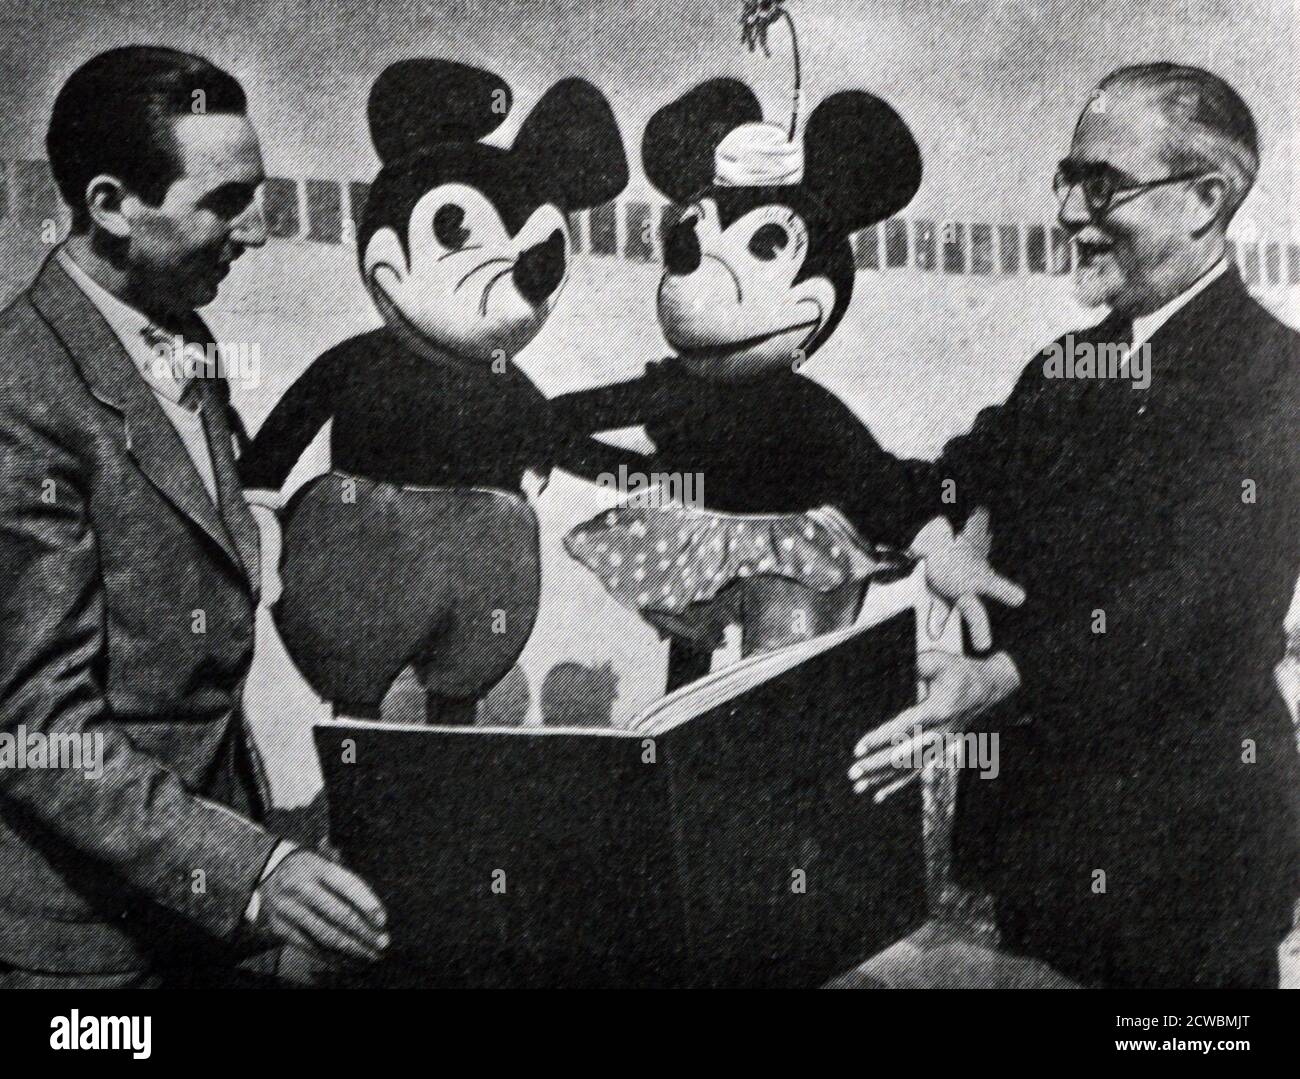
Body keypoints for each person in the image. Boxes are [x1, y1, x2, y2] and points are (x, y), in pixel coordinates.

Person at [849, 63, 1300, 988]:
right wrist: (937, 538)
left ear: (1206, 200)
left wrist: (1001, 675)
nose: (1069, 213)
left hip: (1190, 858)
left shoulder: (1277, 377)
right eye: (1068, 179)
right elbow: (948, 477)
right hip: (1045, 843)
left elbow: (1205, 596)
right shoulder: (1065, 368)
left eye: (1104, 184)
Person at [0, 46, 387, 987]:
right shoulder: (20, 390)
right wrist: (252, 870)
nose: (254, 230)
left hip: (199, 903)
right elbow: (36, 723)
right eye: (223, 202)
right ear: (108, 205)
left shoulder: (183, 333)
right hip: (86, 939)